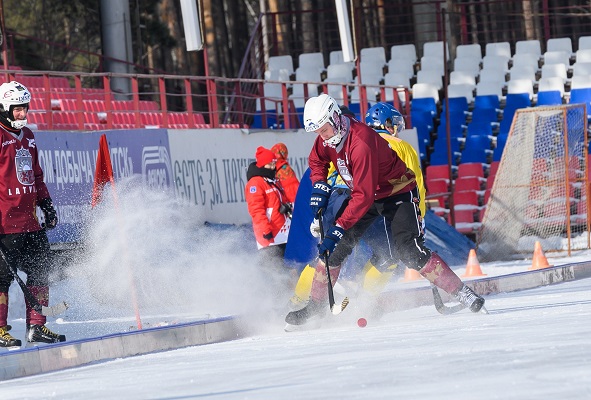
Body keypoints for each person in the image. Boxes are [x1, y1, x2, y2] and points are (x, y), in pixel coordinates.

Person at [285, 94, 484, 327]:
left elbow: (363, 196)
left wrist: (338, 228)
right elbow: (317, 160)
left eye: (324, 129)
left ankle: (462, 292)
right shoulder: (328, 137)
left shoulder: (361, 143)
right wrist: (320, 185)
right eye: (318, 132)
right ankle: (317, 305)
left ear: (335, 117)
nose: (322, 136)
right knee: (333, 250)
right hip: (366, 195)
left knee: (409, 251)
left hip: (396, 193)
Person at [0, 81, 66, 346]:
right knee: (1, 277)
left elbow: (36, 176)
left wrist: (47, 205)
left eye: (25, 108)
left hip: (30, 222)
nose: (22, 114)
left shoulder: (28, 135)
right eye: (17, 109)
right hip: (5, 223)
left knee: (41, 270)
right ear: (4, 108)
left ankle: (36, 326)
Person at [245, 146, 293, 269]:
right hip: (270, 236)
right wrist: (265, 230)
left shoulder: (272, 180)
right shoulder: (255, 183)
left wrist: (287, 207)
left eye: (273, 163)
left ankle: (288, 287)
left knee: (285, 268)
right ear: (262, 165)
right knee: (274, 271)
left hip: (282, 233)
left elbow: (282, 198)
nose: (273, 167)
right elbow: (256, 211)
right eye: (270, 164)